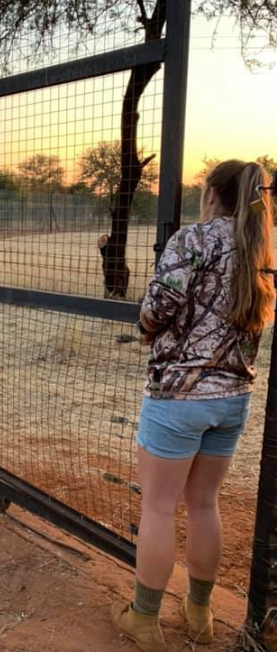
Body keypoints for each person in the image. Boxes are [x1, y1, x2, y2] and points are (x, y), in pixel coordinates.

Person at [111, 160, 276, 652]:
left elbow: (155, 309)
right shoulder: (262, 246)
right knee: (205, 505)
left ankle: (144, 620)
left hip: (179, 395)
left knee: (159, 508)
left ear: (211, 194)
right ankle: (199, 614)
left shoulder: (194, 239)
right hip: (234, 398)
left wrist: (147, 330)